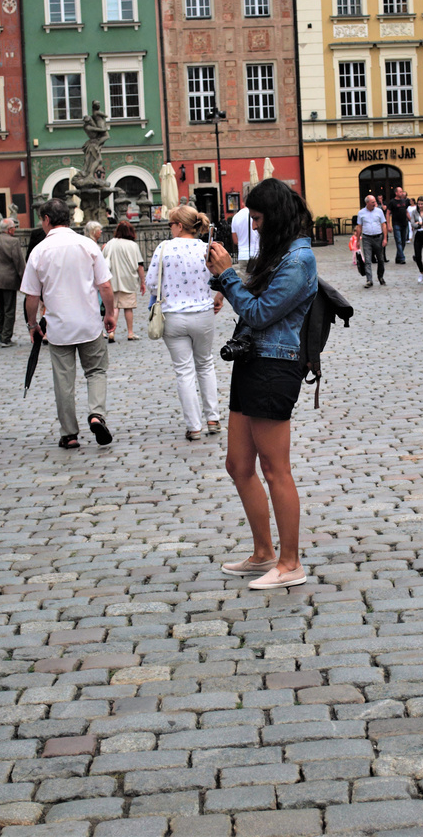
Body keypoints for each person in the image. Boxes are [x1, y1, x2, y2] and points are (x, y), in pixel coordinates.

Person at [207, 178, 317, 590]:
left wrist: (228, 277)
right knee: (238, 465)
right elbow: (249, 301)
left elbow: (259, 312)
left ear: (275, 217)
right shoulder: (279, 253)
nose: (253, 226)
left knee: (275, 469)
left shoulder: (299, 259)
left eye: (256, 218)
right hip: (253, 360)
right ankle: (263, 552)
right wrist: (222, 276)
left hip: (276, 365)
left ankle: (291, 563)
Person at [21, 198, 115, 449]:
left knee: (64, 381)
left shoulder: (39, 251)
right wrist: (110, 313)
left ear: (47, 220)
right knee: (96, 371)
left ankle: (69, 433)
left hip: (58, 326)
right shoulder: (88, 245)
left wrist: (32, 324)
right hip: (89, 323)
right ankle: (96, 414)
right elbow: (105, 285)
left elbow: (31, 296)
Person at [146, 206, 223, 441]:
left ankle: (194, 426)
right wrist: (218, 298)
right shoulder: (206, 249)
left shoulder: (164, 248)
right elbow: (222, 276)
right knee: (205, 364)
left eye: (171, 224)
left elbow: (151, 283)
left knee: (184, 371)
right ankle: (213, 418)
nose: (170, 228)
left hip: (173, 317)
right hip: (203, 313)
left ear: (179, 226)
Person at [0, 218, 26, 347]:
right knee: (9, 309)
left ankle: (2, 333)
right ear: (9, 229)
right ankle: (5, 337)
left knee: (0, 309)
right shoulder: (13, 242)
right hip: (8, 280)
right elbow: (19, 262)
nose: (14, 230)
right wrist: (25, 279)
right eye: (13, 228)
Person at [102, 220, 146, 342]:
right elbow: (140, 265)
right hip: (129, 280)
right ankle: (130, 333)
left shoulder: (110, 244)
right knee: (128, 307)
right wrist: (142, 281)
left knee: (115, 307)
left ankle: (111, 332)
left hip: (113, 280)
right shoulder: (133, 245)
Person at [355, 195, 388, 288]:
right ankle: (369, 280)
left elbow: (383, 225)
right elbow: (359, 227)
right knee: (368, 260)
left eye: (374, 202)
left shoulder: (379, 211)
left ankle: (380, 277)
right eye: (372, 202)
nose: (374, 203)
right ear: (367, 203)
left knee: (380, 259)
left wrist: (385, 238)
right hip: (366, 238)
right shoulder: (361, 213)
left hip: (378, 237)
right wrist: (357, 240)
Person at [231, 202, 260, 280]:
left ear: (242, 203)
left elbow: (235, 240)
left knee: (245, 284)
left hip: (242, 255)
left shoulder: (236, 217)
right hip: (257, 253)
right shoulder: (258, 215)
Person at [386, 186, 410, 264]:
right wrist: (388, 225)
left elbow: (406, 211)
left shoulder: (404, 201)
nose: (401, 193)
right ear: (396, 193)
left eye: (402, 191)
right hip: (396, 224)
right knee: (398, 241)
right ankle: (402, 258)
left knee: (403, 242)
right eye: (400, 191)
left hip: (404, 224)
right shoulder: (392, 202)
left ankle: (398, 257)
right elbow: (388, 213)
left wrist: (411, 220)